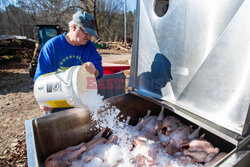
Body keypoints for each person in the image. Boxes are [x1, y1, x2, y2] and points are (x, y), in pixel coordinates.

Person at [34, 11, 103, 112]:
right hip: (57, 101)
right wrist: (42, 100)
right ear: (74, 27)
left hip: (81, 100)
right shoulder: (52, 46)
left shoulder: (89, 47)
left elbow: (99, 70)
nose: (88, 37)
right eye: (85, 33)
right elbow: (40, 78)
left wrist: (94, 70)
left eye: (90, 34)